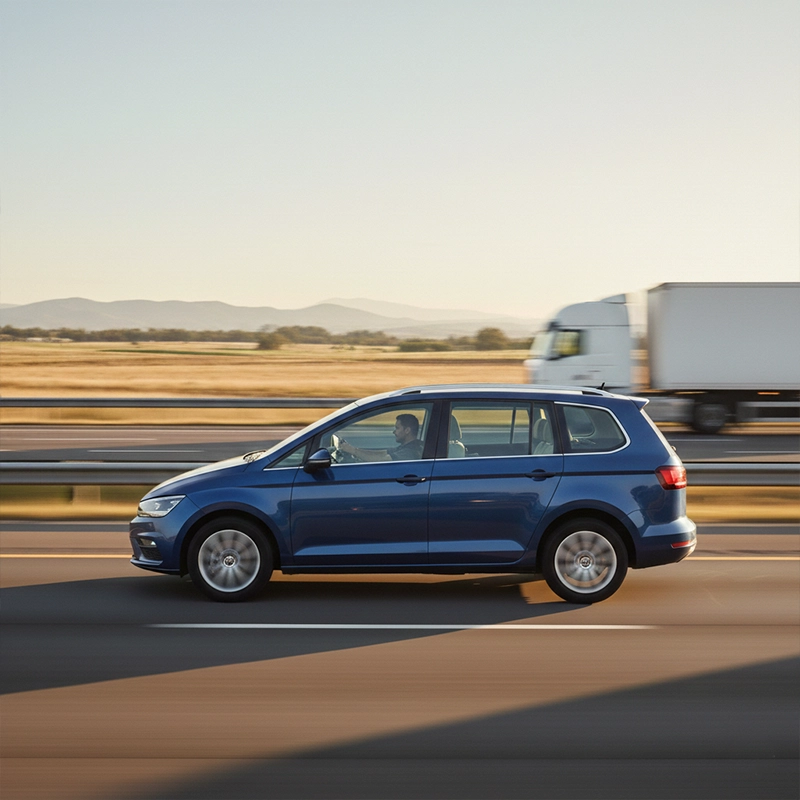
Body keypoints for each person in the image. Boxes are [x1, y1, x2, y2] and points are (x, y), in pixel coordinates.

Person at [338, 414, 423, 462]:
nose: (394, 432)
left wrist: (353, 451)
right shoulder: (405, 447)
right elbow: (381, 453)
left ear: (407, 430)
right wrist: (354, 449)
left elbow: (381, 459)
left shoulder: (410, 452)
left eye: (397, 428)